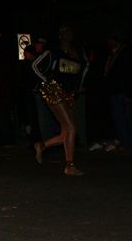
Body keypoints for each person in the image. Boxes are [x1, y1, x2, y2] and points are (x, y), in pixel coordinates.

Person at [30, 25, 88, 175]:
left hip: (70, 92)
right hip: (55, 90)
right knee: (71, 127)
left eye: (70, 31)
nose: (69, 33)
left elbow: (85, 68)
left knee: (66, 133)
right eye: (65, 31)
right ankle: (70, 165)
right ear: (59, 35)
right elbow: (34, 65)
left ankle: (41, 146)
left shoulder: (79, 52)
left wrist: (78, 86)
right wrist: (47, 82)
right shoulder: (53, 52)